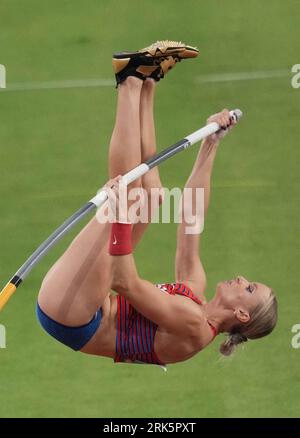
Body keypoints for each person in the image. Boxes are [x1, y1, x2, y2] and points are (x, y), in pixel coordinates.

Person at [37, 41, 277, 366]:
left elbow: (125, 282)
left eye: (248, 289)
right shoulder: (195, 291)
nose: (241, 279)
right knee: (153, 198)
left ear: (241, 314)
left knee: (132, 195)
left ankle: (129, 82)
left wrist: (120, 215)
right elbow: (191, 213)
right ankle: (146, 81)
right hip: (91, 302)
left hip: (72, 316)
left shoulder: (194, 328)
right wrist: (210, 144)